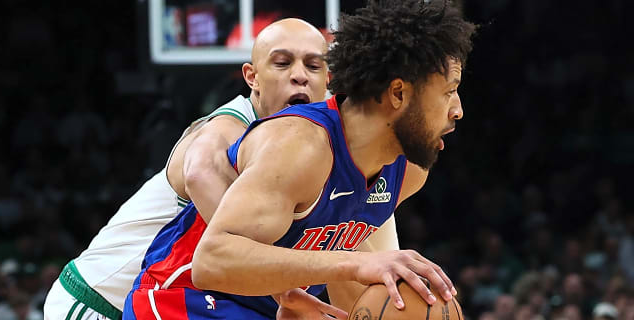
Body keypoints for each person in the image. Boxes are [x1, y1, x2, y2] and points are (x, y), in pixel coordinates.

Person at [123, 0, 477, 319]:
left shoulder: (408, 170)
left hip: (273, 308)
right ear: (398, 93)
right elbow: (212, 260)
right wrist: (355, 263)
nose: (458, 110)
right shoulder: (301, 143)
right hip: (183, 299)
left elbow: (343, 274)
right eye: (449, 91)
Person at [43, 18, 331, 320]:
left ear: (328, 79)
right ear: (252, 78)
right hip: (100, 302)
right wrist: (280, 281)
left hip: (167, 307)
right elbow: (199, 173)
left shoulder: (314, 149)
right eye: (283, 63)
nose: (299, 76)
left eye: (313, 66)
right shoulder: (230, 126)